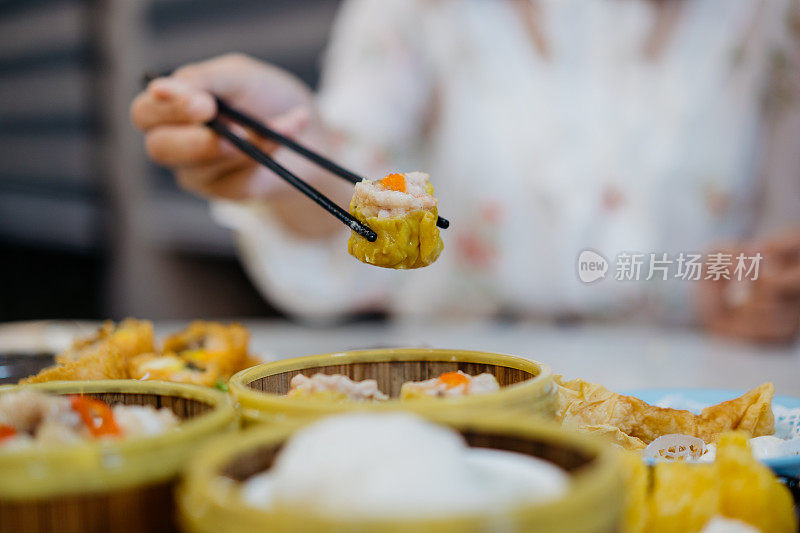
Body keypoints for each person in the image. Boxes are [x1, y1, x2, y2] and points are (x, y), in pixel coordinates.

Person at [131, 0, 800, 343]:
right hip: (459, 398)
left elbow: (769, 251)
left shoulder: (773, 17)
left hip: (692, 409)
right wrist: (282, 153)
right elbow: (348, 190)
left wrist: (746, 286)